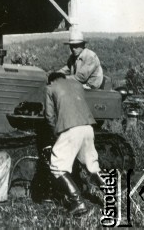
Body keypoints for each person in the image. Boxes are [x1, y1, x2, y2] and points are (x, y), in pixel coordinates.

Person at [44, 72, 106, 216]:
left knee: (57, 167)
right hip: (88, 127)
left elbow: (49, 116)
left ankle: (78, 203)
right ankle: (112, 198)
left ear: (51, 80)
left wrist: (56, 134)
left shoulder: (50, 87)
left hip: (71, 129)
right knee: (92, 166)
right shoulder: (77, 86)